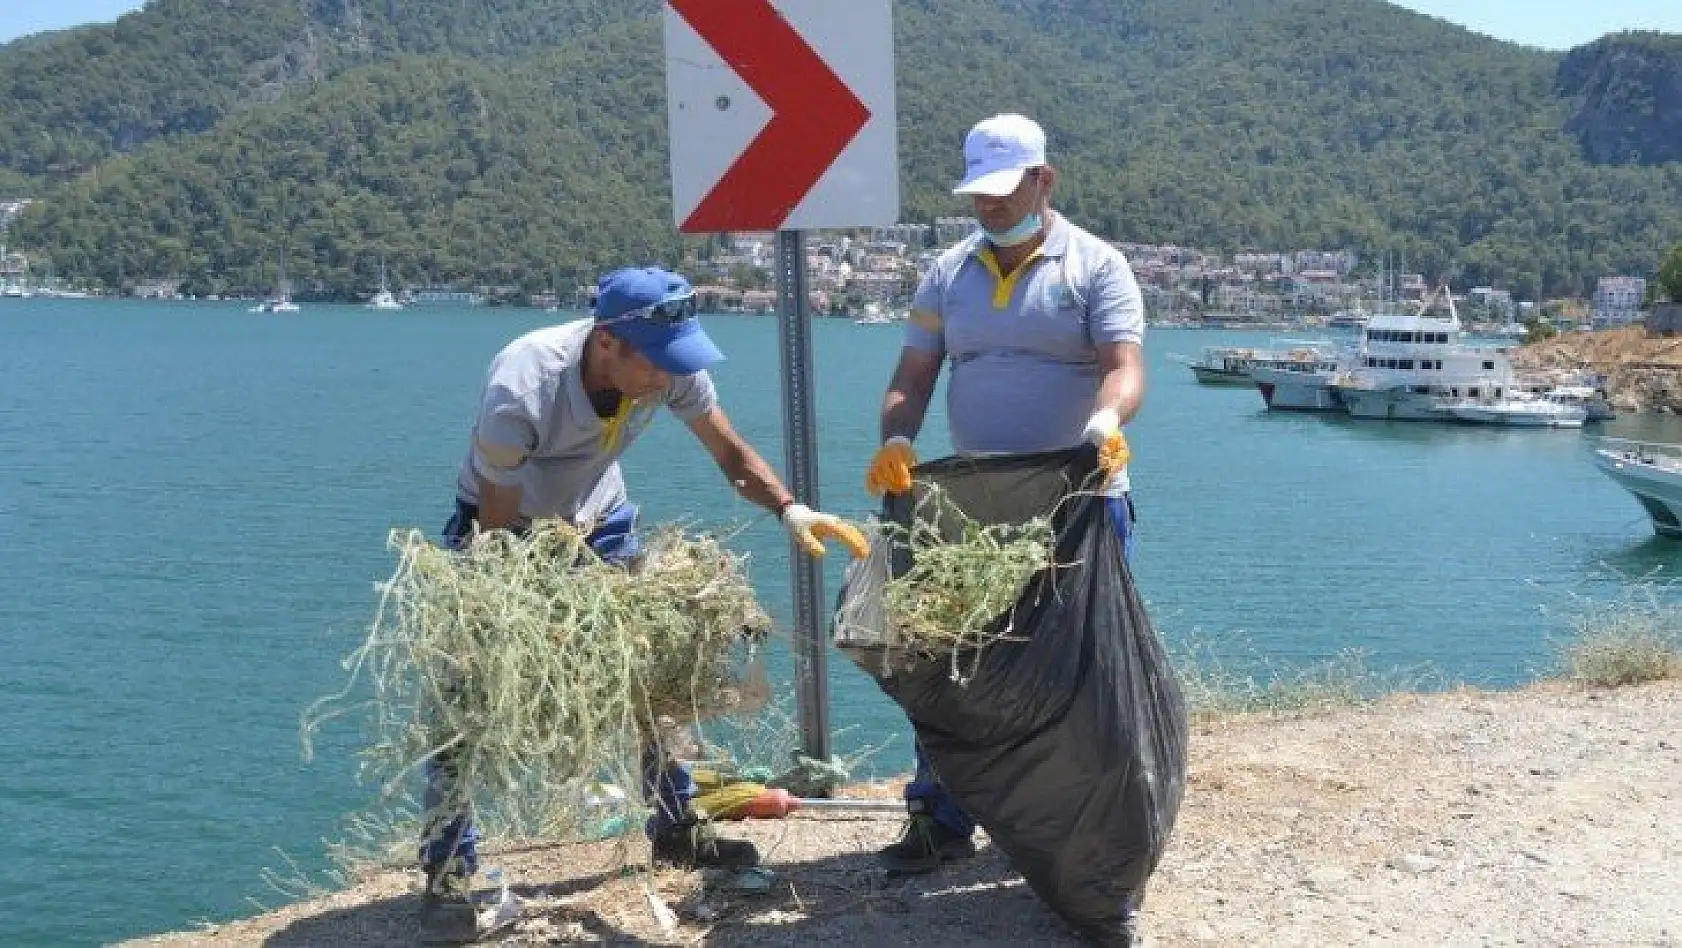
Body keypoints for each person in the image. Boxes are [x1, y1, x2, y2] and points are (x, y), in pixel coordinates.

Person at [420, 265, 868, 943]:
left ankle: (675, 823)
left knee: (654, 676)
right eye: (656, 363)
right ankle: (451, 873)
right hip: (504, 532)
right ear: (607, 343)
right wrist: (534, 613)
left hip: (602, 522)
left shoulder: (669, 366)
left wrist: (790, 508)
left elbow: (730, 453)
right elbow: (495, 526)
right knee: (468, 699)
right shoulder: (525, 385)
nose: (667, 379)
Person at [865, 113, 1146, 876]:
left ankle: (1089, 826)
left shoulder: (1095, 266)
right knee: (946, 660)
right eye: (978, 192)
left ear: (1043, 180)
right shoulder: (947, 275)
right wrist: (897, 438)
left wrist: (1106, 417)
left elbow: (1125, 366)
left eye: (1003, 189)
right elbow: (913, 376)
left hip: (1079, 502)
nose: (988, 205)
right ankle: (939, 820)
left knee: (1082, 668)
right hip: (973, 511)